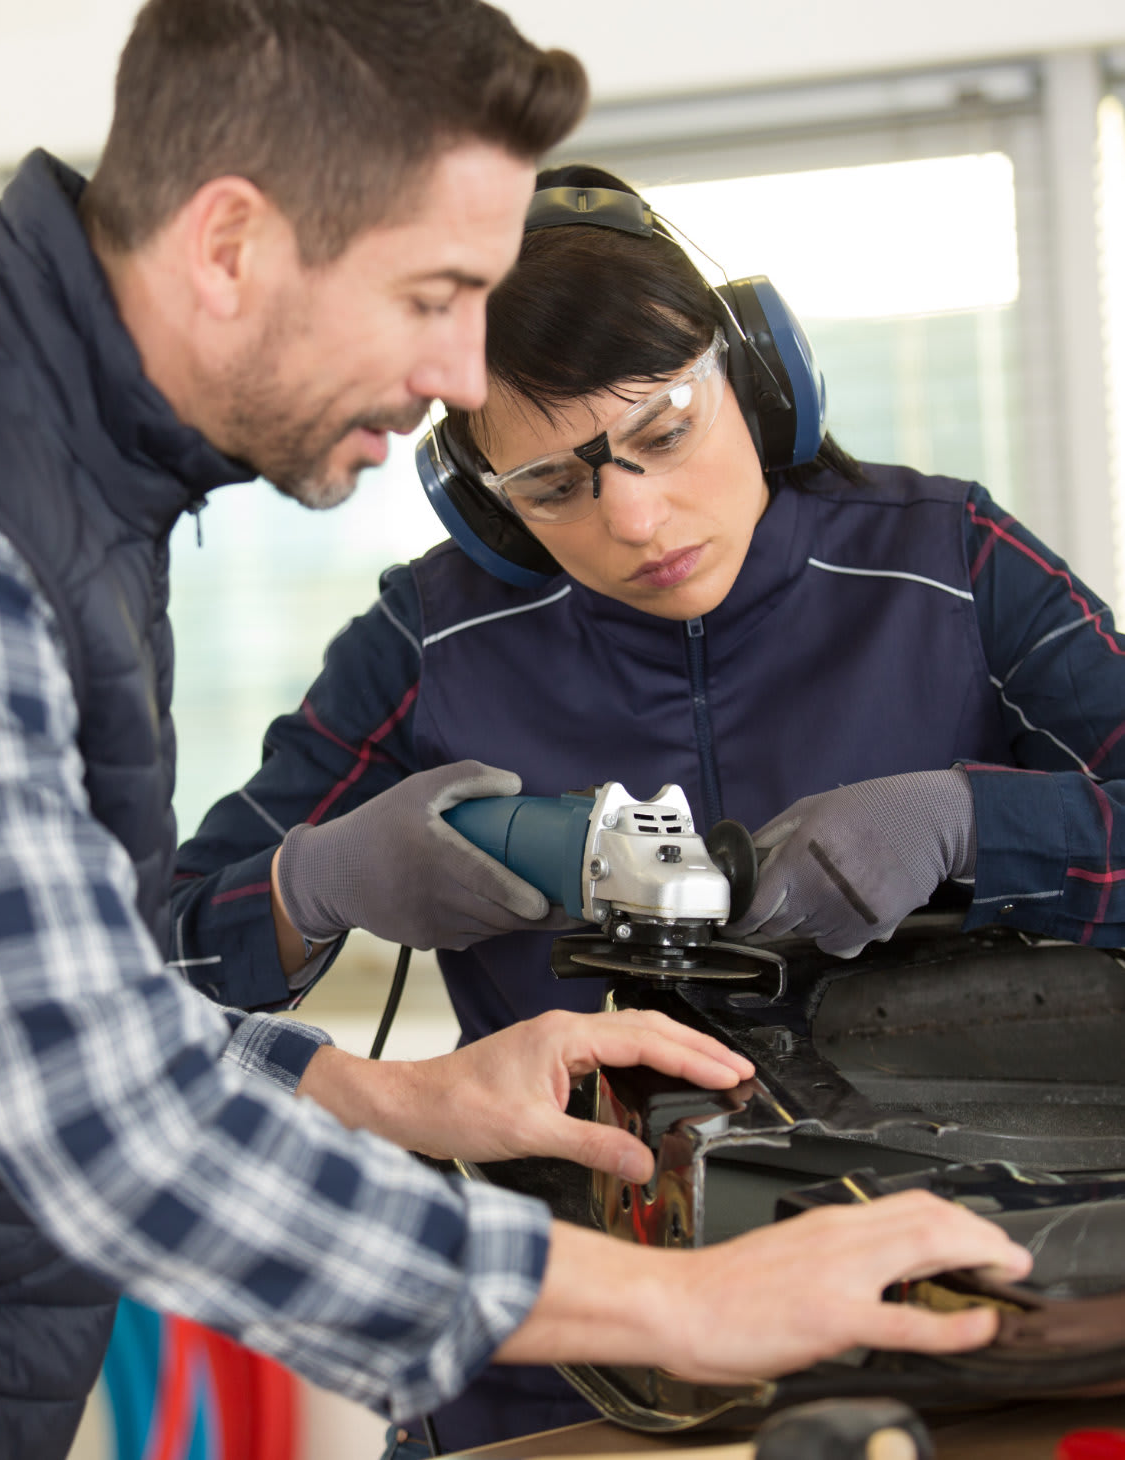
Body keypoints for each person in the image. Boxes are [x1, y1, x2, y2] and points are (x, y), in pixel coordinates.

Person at [0, 6, 1029, 1450]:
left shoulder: (46, 465)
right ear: (233, 242)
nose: (458, 378)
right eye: (434, 294)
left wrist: (399, 1095)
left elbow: (57, 1015)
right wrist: (687, 1307)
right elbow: (111, 1131)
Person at [171, 160, 1123, 1453]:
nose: (635, 517)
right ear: (482, 504)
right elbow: (138, 972)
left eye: (663, 433)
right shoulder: (429, 642)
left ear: (759, 379)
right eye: (554, 485)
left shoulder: (951, 562)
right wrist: (310, 885)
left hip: (961, 1331)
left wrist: (971, 824)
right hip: (560, 1365)